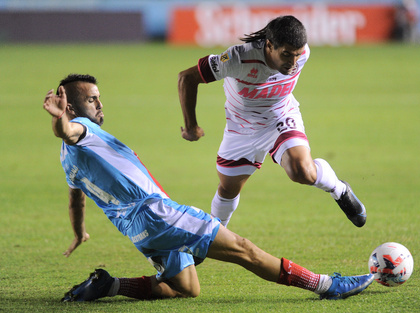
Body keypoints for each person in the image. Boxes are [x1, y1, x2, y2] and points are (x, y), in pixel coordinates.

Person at [43, 73, 373, 302]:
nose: (99, 105)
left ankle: (110, 286)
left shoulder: (67, 161)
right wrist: (61, 120)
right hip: (158, 214)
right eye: (92, 100)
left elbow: (76, 199)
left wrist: (79, 232)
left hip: (137, 231)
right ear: (71, 107)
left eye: (99, 99)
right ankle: (328, 285)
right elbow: (67, 132)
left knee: (186, 288)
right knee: (245, 251)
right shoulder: (80, 129)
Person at [178, 15, 367, 228]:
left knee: (301, 171)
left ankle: (340, 190)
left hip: (280, 117)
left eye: (297, 55)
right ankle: (214, 235)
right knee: (228, 189)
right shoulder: (237, 58)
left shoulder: (303, 53)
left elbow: (294, 57)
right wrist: (191, 126)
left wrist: (292, 55)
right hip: (242, 127)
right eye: (286, 54)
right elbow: (187, 78)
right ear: (269, 45)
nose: (293, 63)